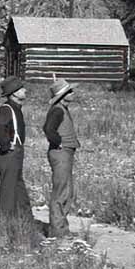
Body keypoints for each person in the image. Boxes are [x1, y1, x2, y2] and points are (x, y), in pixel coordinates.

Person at [0, 76, 35, 227]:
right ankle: (5, 227)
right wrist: (6, 144)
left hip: (16, 154)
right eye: (21, 89)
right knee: (8, 194)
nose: (25, 90)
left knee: (19, 190)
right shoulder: (7, 109)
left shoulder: (16, 108)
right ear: (14, 93)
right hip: (10, 155)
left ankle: (25, 223)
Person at [42, 77, 81, 237]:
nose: (73, 93)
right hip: (61, 152)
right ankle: (57, 231)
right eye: (69, 91)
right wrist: (58, 142)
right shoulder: (57, 110)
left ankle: (61, 228)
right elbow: (48, 129)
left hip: (65, 152)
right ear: (63, 95)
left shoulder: (62, 109)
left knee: (67, 191)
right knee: (62, 192)